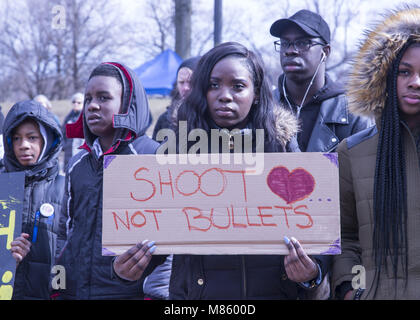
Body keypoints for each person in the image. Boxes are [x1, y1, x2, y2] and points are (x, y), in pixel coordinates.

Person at [166, 42, 330, 299]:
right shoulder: (178, 151)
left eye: (238, 86)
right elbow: (153, 233)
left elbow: (315, 231)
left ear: (255, 94)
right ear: (202, 92)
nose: (225, 95)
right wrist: (127, 269)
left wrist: (312, 274)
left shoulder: (284, 148)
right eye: (214, 85)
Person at [54, 62, 165, 299]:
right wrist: (59, 286)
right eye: (88, 98)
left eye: (104, 98)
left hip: (129, 293)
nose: (93, 105)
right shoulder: (77, 163)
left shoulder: (154, 157)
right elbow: (64, 231)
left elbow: (170, 244)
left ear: (127, 104)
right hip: (76, 292)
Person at [331, 6, 420, 299]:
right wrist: (350, 290)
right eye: (404, 72)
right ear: (384, 77)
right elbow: (345, 237)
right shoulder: (352, 152)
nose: (416, 82)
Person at [269, 9, 373, 152]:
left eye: (303, 43)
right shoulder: (264, 107)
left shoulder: (353, 113)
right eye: (285, 43)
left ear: (326, 52)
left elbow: (366, 170)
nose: (290, 50)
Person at [1, 100, 65, 299]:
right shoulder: (4, 185)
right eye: (17, 138)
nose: (24, 145)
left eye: (32, 137)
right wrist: (6, 259)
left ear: (47, 141)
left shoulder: (65, 187)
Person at [152, 56, 200, 140]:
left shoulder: (215, 116)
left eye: (191, 82)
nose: (185, 88)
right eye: (181, 82)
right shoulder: (165, 119)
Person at [61, 92, 85, 169]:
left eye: (79, 102)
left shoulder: (86, 116)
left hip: (82, 150)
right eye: (74, 102)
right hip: (69, 151)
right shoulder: (68, 117)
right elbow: (63, 132)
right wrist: (64, 145)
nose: (76, 104)